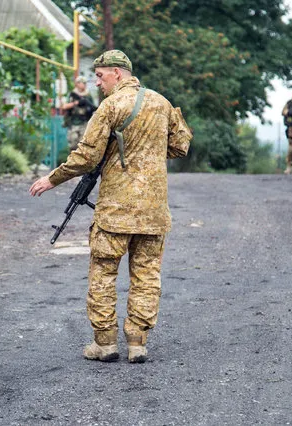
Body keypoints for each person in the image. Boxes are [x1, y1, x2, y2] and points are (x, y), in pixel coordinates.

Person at [29, 50, 191, 363]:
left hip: (115, 211)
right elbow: (180, 146)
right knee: (146, 277)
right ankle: (137, 343)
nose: (97, 83)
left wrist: (53, 179)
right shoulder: (163, 102)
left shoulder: (112, 105)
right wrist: (149, 153)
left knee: (103, 273)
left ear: (117, 72)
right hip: (154, 211)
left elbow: (87, 156)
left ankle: (105, 344)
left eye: (100, 76)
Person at [61, 75, 97, 151]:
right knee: (73, 145)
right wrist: (76, 103)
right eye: (82, 83)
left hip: (84, 123)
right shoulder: (72, 94)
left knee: (83, 145)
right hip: (73, 122)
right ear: (77, 84)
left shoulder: (88, 95)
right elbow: (64, 106)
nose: (84, 84)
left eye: (85, 83)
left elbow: (93, 107)